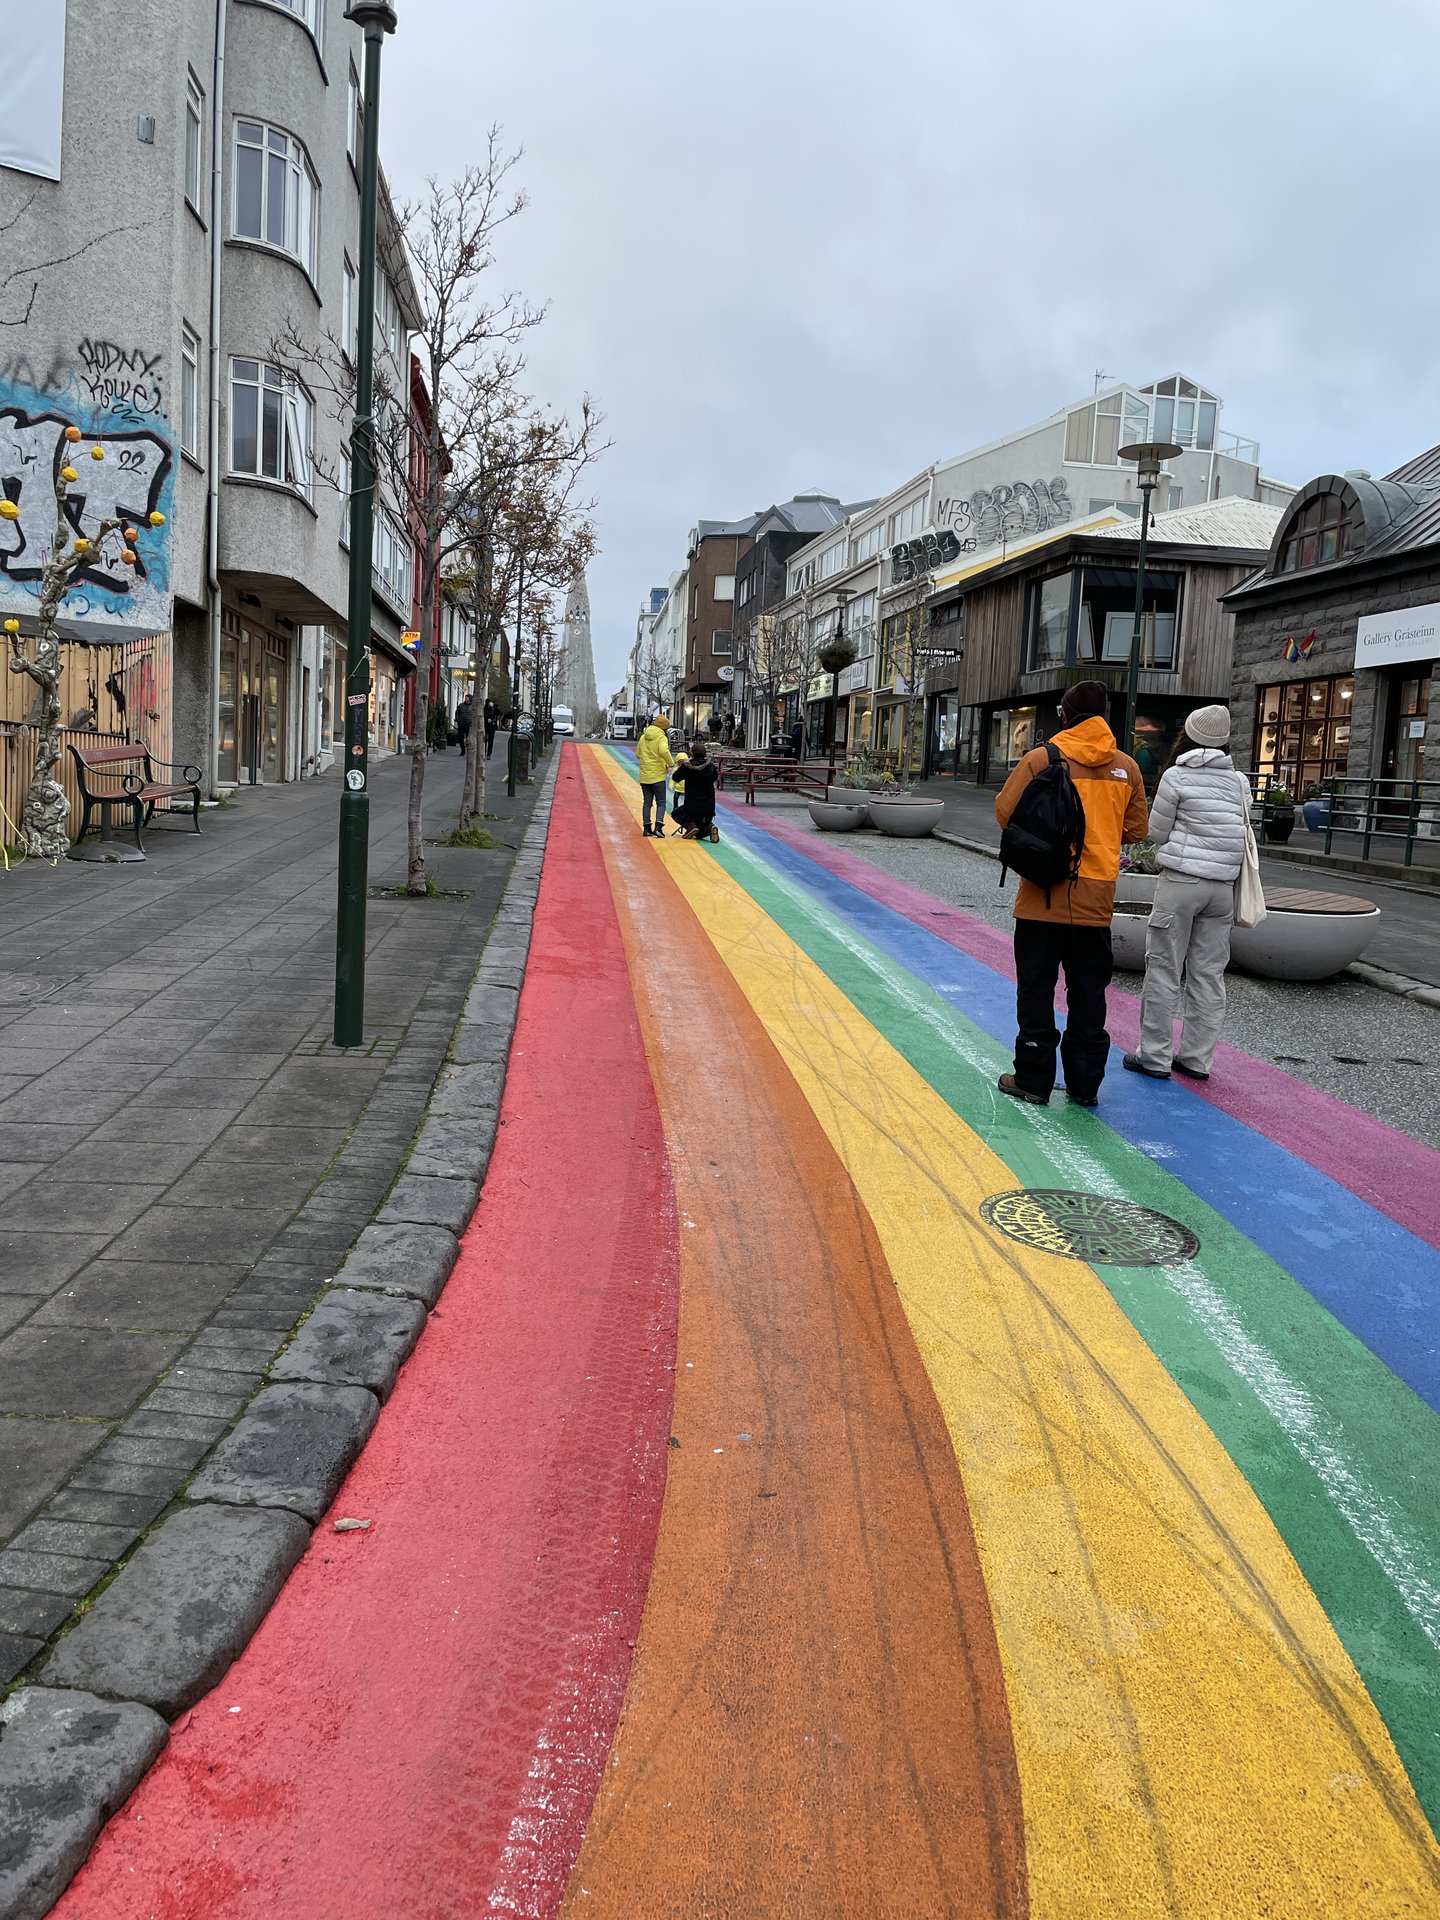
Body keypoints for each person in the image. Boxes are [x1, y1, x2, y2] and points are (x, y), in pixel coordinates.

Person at [994, 680, 1148, 1107]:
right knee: (1088, 995)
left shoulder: (1041, 758)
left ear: (1064, 715)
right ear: (1104, 718)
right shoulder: (1127, 768)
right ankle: (1085, 1086)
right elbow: (1136, 830)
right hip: (1095, 903)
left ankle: (1033, 1079)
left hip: (1042, 894)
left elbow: (1005, 813)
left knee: (1036, 991)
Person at [1123, 705, 1248, 1082]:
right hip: (1223, 889)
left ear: (1189, 736)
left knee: (1164, 968)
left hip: (1181, 884)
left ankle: (1155, 1056)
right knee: (1209, 975)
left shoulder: (1177, 776)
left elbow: (1156, 832)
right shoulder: (1239, 782)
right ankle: (1196, 1059)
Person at [635, 711, 675, 836]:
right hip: (657, 775)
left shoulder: (643, 737)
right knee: (661, 802)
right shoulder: (661, 737)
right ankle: (658, 827)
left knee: (647, 803)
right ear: (664, 728)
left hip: (645, 775)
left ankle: (647, 828)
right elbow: (663, 750)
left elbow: (638, 754)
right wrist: (670, 763)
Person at [677, 740, 720, 841]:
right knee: (703, 823)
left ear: (692, 753)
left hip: (691, 805)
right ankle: (710, 827)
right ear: (705, 754)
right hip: (708, 805)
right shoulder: (711, 767)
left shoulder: (686, 767)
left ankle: (691, 826)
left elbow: (675, 777)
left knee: (677, 813)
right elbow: (715, 777)